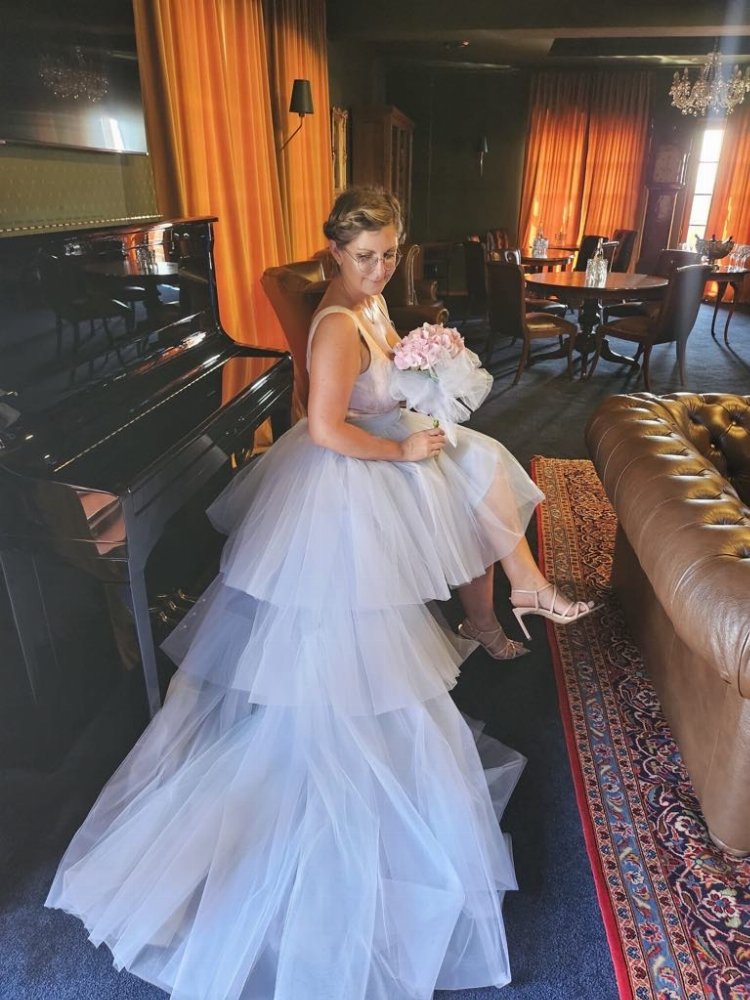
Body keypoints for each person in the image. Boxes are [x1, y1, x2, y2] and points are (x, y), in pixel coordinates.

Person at [45, 187, 595, 999]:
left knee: (476, 463)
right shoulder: (336, 323)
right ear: (333, 250)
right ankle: (512, 597)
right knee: (446, 501)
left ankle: (513, 594)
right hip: (343, 471)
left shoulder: (372, 305)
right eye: (364, 256)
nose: (379, 269)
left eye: (389, 254)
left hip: (376, 446)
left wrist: (425, 381)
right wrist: (403, 450)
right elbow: (329, 427)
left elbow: (384, 384)